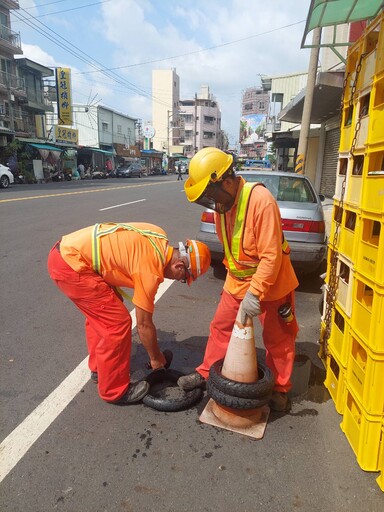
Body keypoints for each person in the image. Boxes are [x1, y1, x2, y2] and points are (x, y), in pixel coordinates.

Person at [179, 147, 299, 412]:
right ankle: (205, 371)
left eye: (211, 193)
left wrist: (255, 294)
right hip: (238, 280)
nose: (212, 201)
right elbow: (234, 253)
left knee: (278, 337)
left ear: (228, 181)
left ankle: (279, 387)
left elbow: (271, 257)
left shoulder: (261, 200)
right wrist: (239, 288)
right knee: (221, 326)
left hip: (272, 281)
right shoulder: (224, 204)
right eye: (206, 197)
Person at [47, 223, 211, 405]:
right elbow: (143, 325)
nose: (177, 279)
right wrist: (156, 360)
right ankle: (114, 391)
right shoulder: (149, 270)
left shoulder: (158, 235)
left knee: (104, 314)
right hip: (71, 265)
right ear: (179, 265)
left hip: (65, 252)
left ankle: (99, 370)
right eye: (182, 278)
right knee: (117, 324)